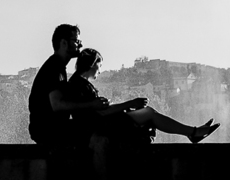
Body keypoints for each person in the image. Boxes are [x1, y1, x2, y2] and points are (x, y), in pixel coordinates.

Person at [67, 48, 220, 145]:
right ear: (93, 64)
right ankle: (194, 133)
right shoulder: (80, 85)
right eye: (100, 65)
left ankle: (193, 133)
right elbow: (101, 112)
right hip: (103, 126)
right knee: (149, 113)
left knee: (148, 113)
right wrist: (130, 103)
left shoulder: (77, 82)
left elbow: (100, 110)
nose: (101, 70)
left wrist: (129, 105)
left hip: (100, 124)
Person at [28, 24, 109, 146]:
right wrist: (92, 104)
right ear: (64, 43)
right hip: (49, 130)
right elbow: (57, 104)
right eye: (76, 41)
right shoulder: (54, 67)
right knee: (100, 135)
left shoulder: (57, 66)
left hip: (48, 128)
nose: (80, 45)